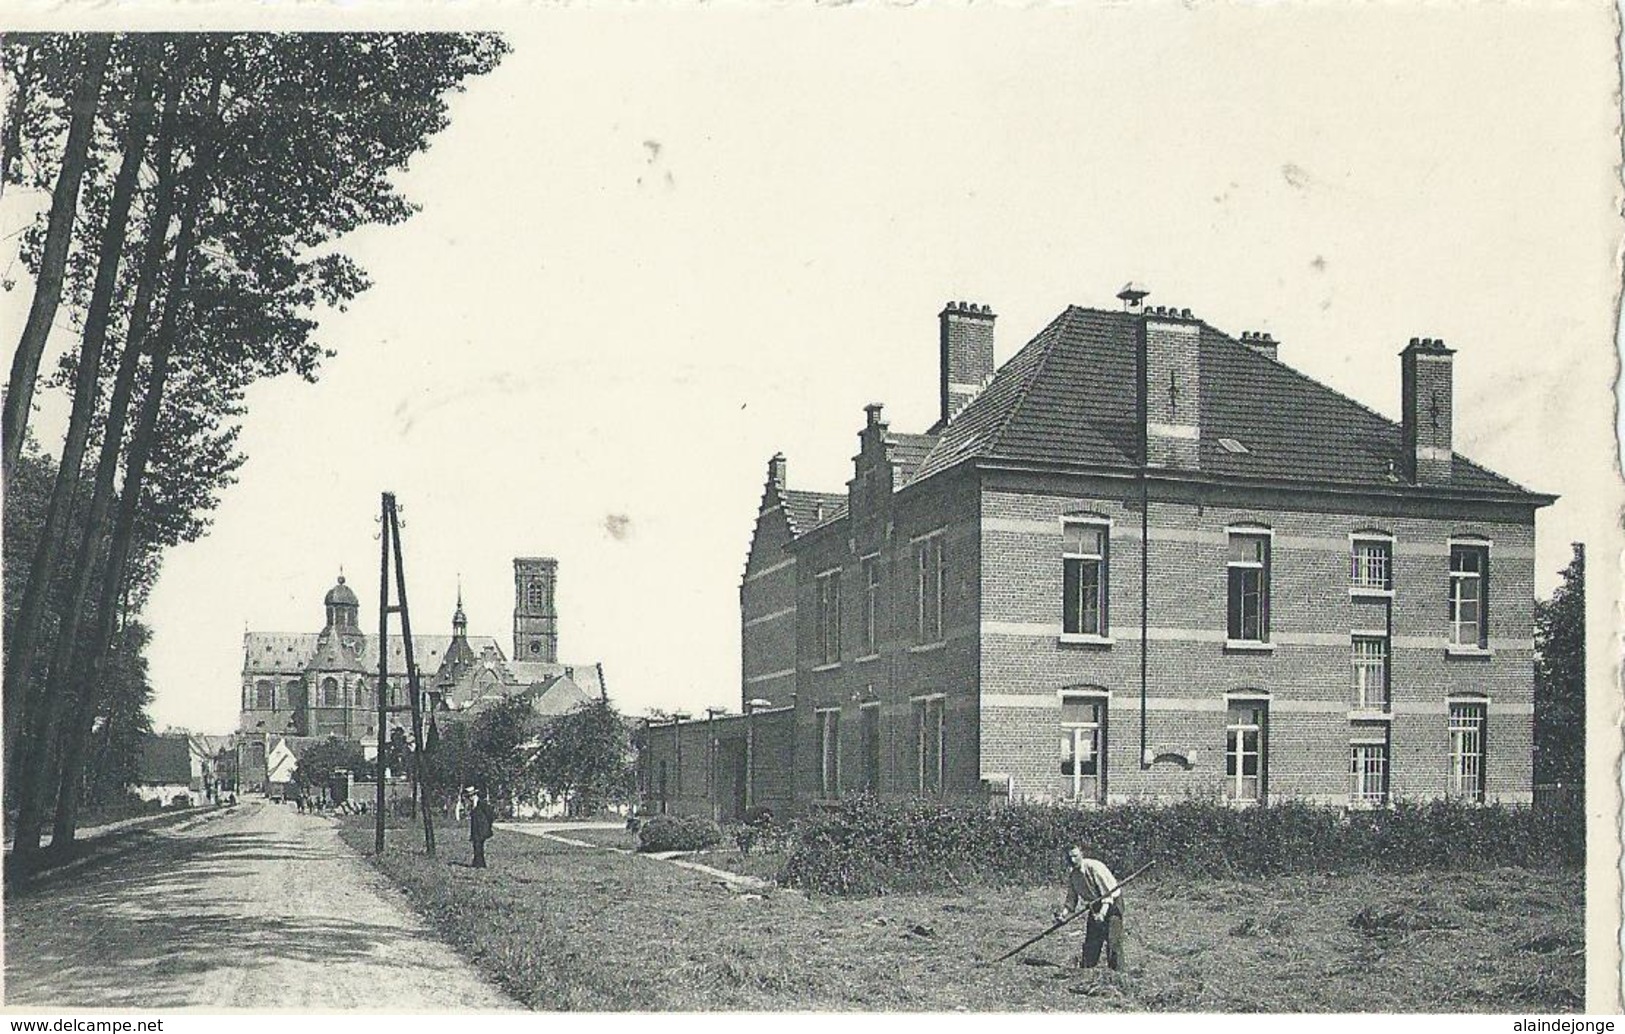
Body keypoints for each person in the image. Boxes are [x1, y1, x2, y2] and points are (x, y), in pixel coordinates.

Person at [1056, 845, 1126, 971]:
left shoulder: (1094, 868)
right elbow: (1072, 899)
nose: (1072, 860)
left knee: (1112, 938)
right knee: (1092, 939)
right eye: (1069, 857)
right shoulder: (1073, 875)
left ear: (1081, 855)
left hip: (1113, 901)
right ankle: (1086, 970)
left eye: (1075, 856)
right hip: (1095, 904)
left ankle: (1118, 974)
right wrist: (1063, 915)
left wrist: (1102, 914)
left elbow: (1107, 894)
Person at [466, 786, 495, 869]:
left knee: (478, 846)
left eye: (471, 796)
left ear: (475, 795)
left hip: (481, 829)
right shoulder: (473, 805)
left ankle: (480, 864)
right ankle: (477, 863)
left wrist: (487, 825)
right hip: (475, 829)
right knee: (476, 845)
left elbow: (490, 814)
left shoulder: (482, 803)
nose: (470, 798)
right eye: (469, 796)